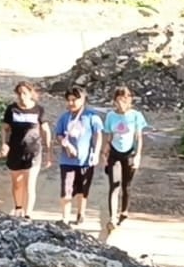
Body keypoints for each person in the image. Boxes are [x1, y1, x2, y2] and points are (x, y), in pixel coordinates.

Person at [52, 85, 103, 225]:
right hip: (67, 160)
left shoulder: (92, 116)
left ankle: (81, 213)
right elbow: (58, 135)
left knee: (82, 189)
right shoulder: (64, 117)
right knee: (66, 188)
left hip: (86, 160)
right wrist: (66, 145)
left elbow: (98, 135)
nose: (71, 103)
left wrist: (96, 153)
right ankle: (65, 217)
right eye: (69, 100)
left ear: (83, 99)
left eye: (74, 100)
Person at [0, 81, 51, 218]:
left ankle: (28, 214)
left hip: (33, 151)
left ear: (30, 94)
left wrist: (48, 151)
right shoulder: (11, 109)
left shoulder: (39, 110)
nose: (22, 96)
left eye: (25, 93)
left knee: (30, 184)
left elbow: (45, 130)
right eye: (19, 93)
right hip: (15, 150)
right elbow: (5, 128)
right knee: (17, 183)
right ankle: (18, 207)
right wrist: (4, 143)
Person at [102, 86, 148, 227]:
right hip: (115, 152)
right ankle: (112, 218)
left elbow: (139, 137)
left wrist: (138, 155)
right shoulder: (111, 116)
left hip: (129, 153)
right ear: (115, 101)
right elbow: (109, 134)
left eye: (125, 99)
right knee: (114, 185)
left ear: (130, 100)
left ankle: (124, 210)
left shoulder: (136, 116)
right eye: (119, 99)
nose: (122, 102)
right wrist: (106, 147)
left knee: (126, 185)